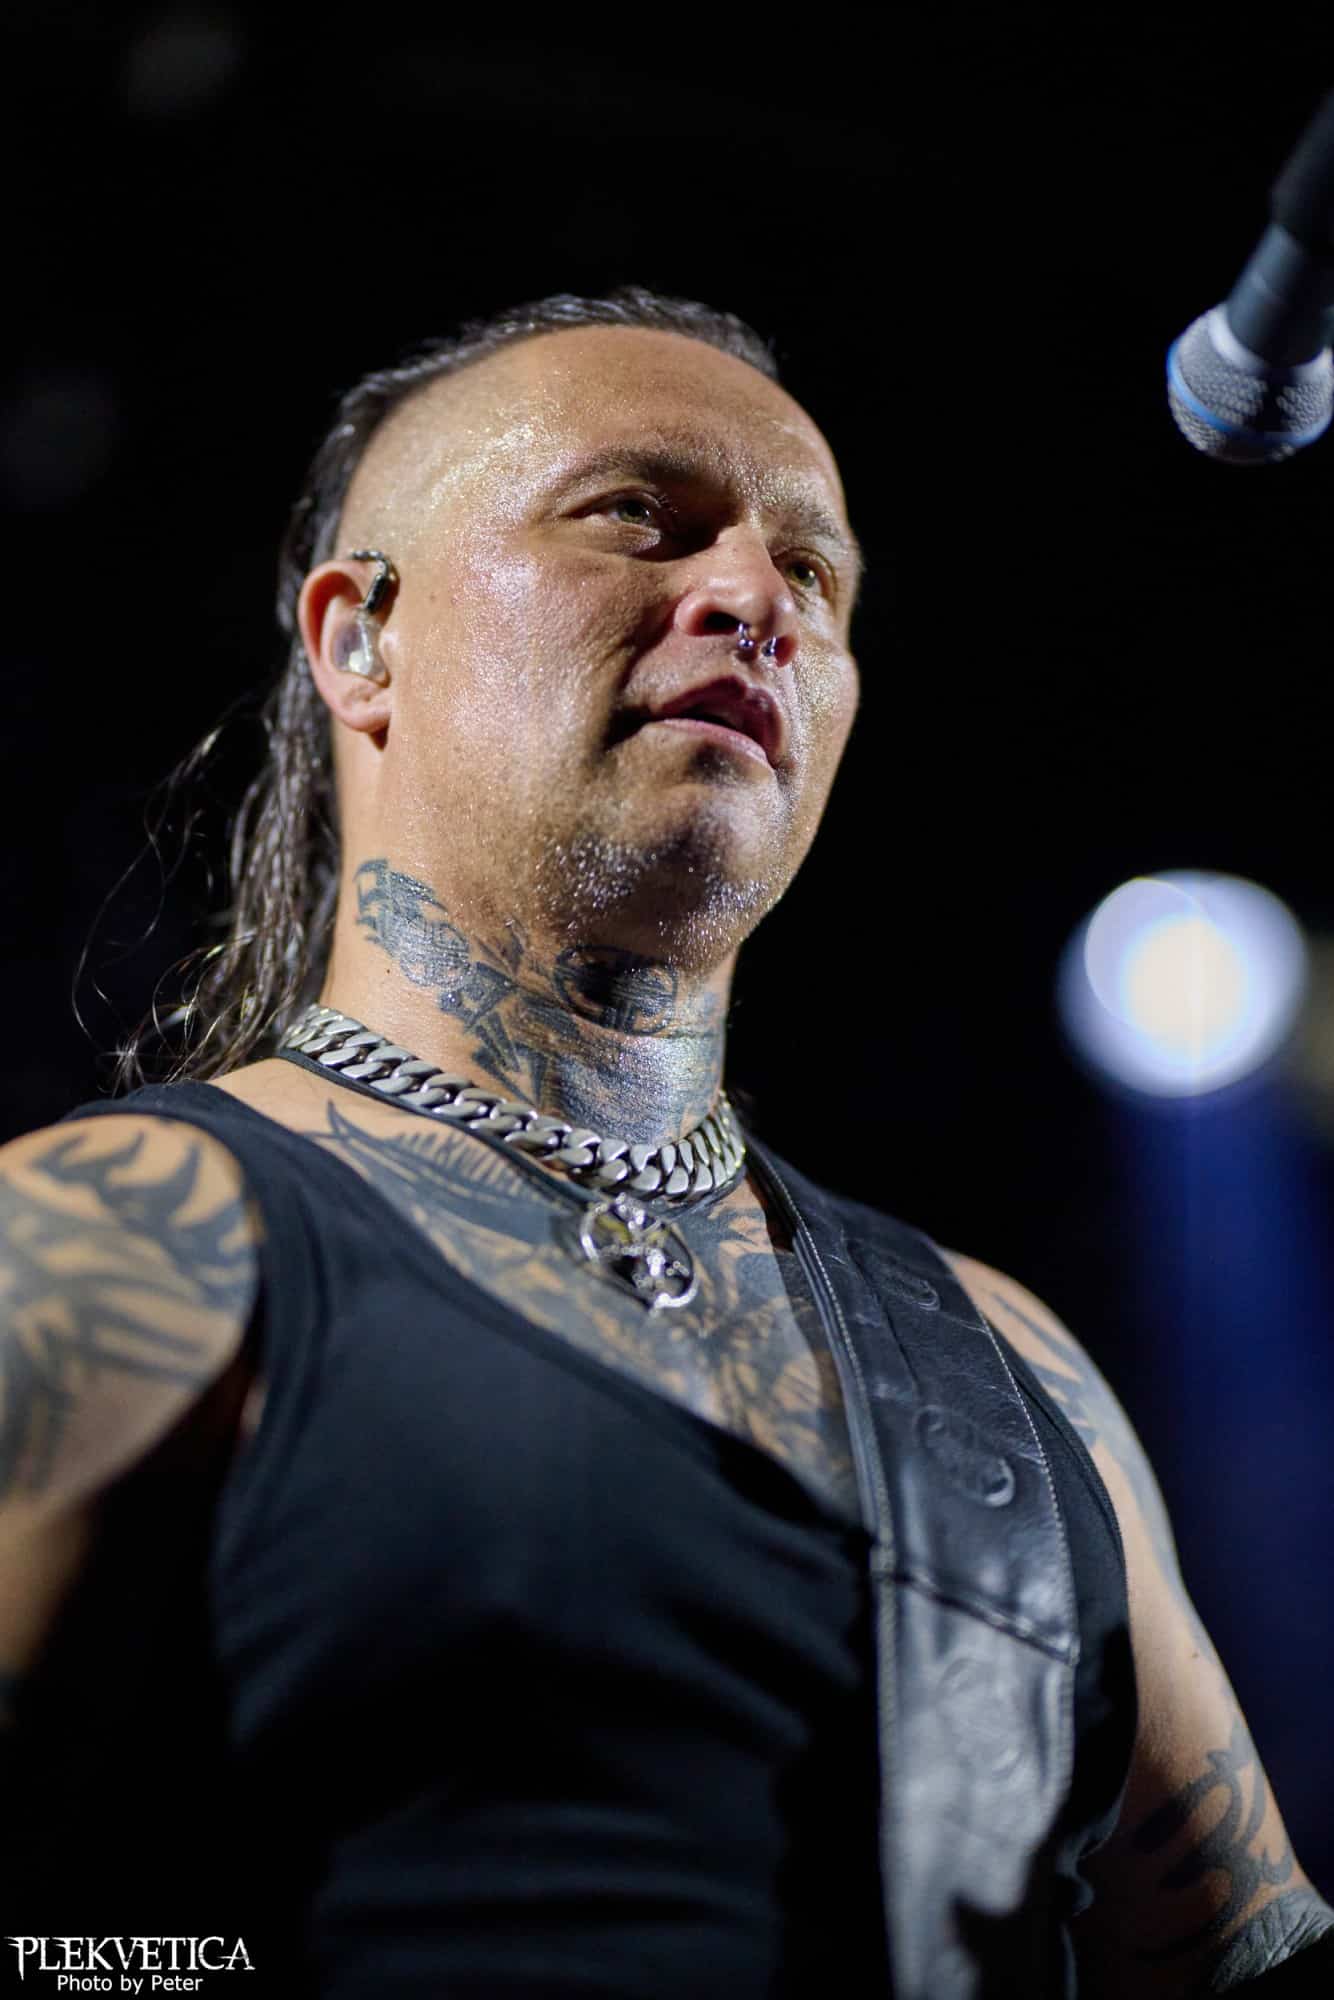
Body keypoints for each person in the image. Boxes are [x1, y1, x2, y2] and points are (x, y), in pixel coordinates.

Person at [3, 286, 1330, 1999]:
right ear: (358, 639)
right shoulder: (115, 1246)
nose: (755, 599)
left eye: (816, 575)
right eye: (637, 514)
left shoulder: (1011, 1372)